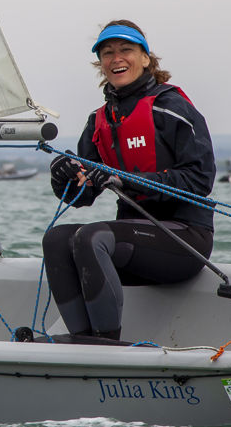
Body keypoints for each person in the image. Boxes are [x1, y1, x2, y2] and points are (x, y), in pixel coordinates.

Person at [41, 19, 216, 343]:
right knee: (56, 239)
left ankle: (106, 345)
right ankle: (82, 342)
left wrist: (126, 180)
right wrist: (63, 176)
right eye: (107, 53)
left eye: (126, 50)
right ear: (101, 64)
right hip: (132, 242)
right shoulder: (99, 121)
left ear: (146, 58)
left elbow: (200, 179)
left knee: (92, 237)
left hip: (185, 240)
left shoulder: (172, 108)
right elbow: (83, 195)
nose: (116, 58)